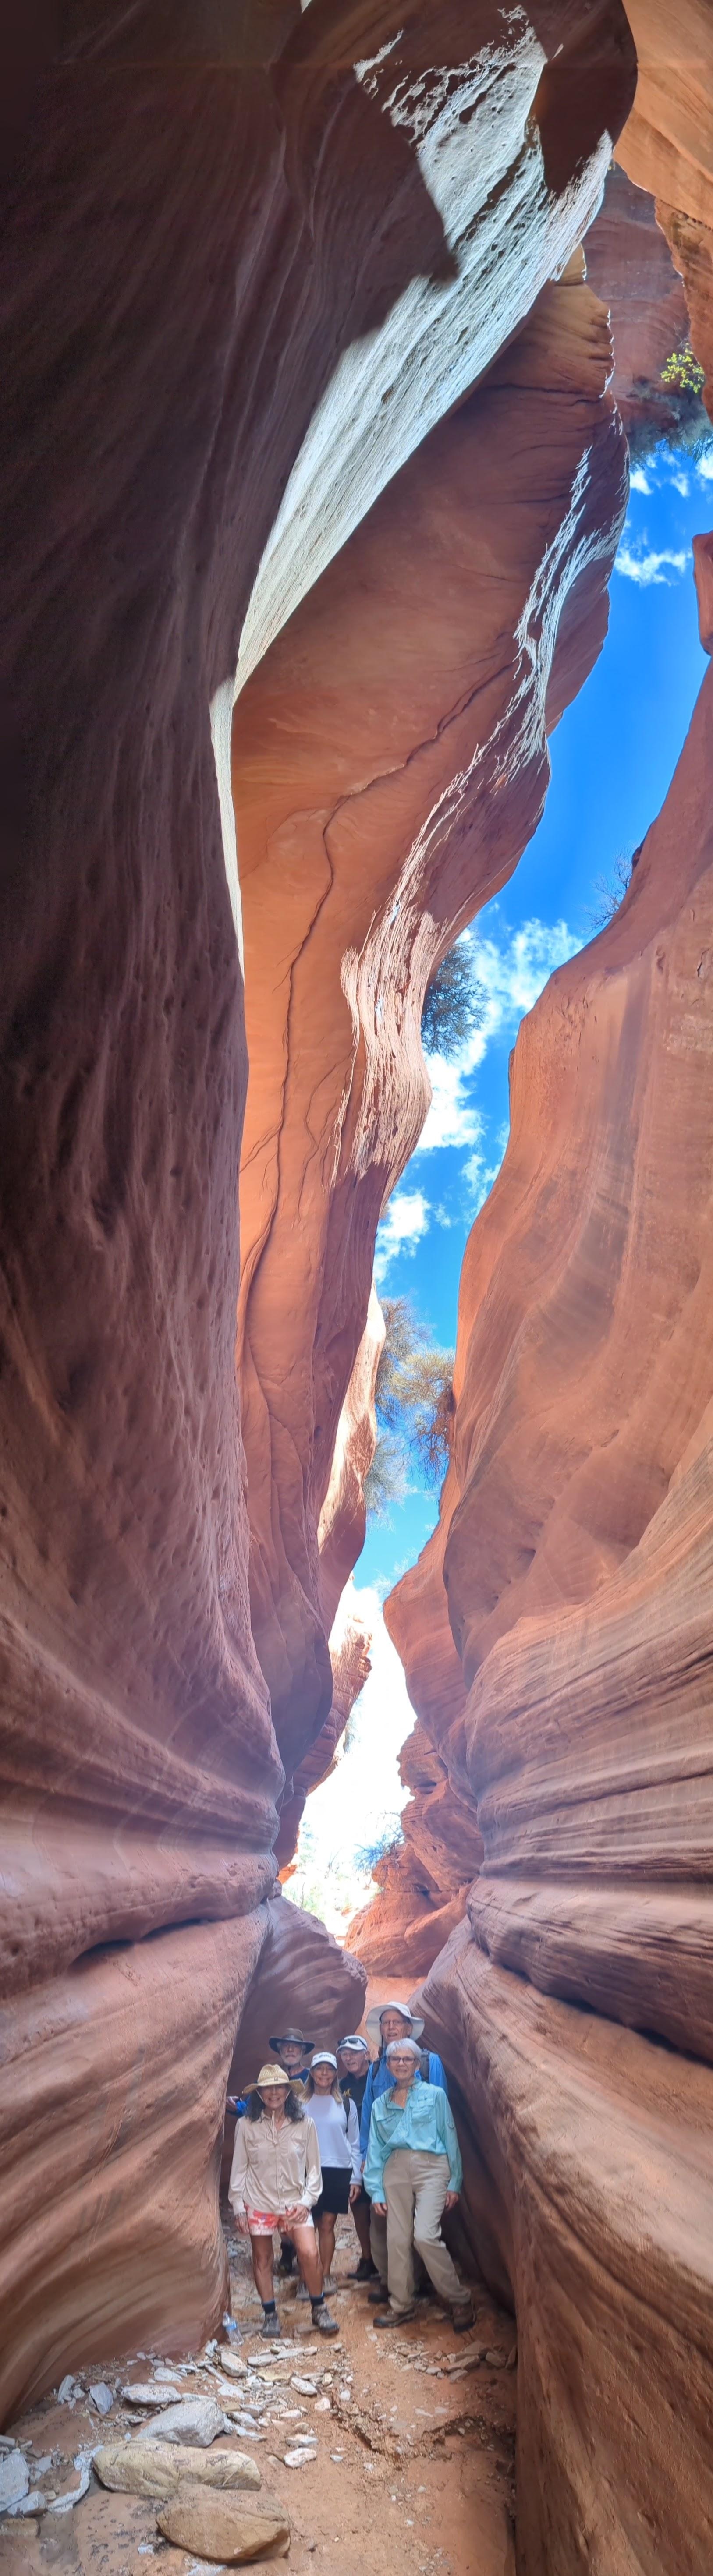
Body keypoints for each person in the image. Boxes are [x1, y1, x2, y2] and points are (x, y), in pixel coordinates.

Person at [364, 2038, 473, 2332]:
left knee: (425, 2236)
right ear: (388, 2065)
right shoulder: (380, 2104)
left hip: (432, 2168)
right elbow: (375, 2149)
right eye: (395, 2059)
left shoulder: (435, 2096)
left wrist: (455, 2181)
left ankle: (459, 2299)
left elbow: (449, 2135)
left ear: (416, 2064)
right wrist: (375, 2189)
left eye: (407, 2059)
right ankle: (402, 2305)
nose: (401, 2064)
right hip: (394, 2170)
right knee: (397, 2240)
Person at [228, 2061, 338, 2338]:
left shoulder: (305, 2125)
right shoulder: (246, 2126)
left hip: (294, 2202)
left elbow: (315, 2170)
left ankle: (319, 2307)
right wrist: (239, 2207)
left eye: (279, 2087)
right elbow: (239, 2168)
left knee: (309, 2253)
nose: (274, 2093)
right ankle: (270, 2315)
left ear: (289, 2092)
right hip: (259, 2202)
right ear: (260, 2093)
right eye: (268, 2088)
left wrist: (307, 2202)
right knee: (263, 2259)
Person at [358, 2002, 449, 2296]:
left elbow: (443, 2113)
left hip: (424, 2156)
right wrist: (365, 2155)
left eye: (397, 2022)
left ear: (409, 2028)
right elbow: (367, 2115)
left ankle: (419, 2281)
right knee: (382, 2222)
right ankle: (391, 2282)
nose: (391, 2027)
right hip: (386, 2158)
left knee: (420, 2225)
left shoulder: (429, 2063)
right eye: (386, 2023)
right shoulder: (376, 2069)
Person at [304, 2052, 361, 2288]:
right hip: (308, 2171)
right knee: (307, 2227)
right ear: (312, 2073)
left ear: (336, 2074)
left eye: (329, 2069)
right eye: (320, 2068)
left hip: (338, 2170)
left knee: (327, 2224)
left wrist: (356, 2179)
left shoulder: (346, 2104)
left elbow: (354, 2143)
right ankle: (308, 2276)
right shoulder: (299, 2103)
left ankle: (325, 2274)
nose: (324, 2074)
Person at [267, 2031, 314, 2277]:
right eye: (286, 2046)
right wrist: (238, 2107)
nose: (290, 2051)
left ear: (303, 2051)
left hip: (305, 2147)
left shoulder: (312, 2078)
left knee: (303, 2201)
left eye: (295, 2047)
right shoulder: (272, 2077)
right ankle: (288, 2249)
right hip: (278, 2148)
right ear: (280, 2050)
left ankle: (306, 2253)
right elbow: (261, 2107)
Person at [338, 2034, 377, 2280]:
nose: (349, 2057)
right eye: (345, 2054)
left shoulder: (379, 2076)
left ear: (366, 2054)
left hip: (381, 2152)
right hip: (354, 2155)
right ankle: (368, 2259)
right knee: (360, 2207)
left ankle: (392, 2264)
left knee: (383, 2209)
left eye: (354, 2052)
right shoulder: (341, 2086)